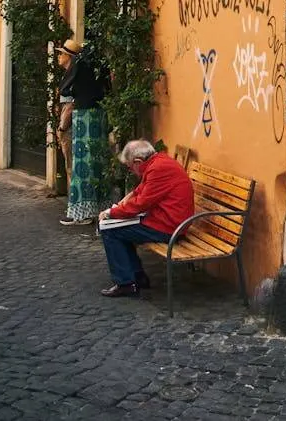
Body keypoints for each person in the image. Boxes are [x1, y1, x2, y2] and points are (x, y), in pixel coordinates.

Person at [97, 140, 195, 298]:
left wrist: (111, 213)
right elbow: (143, 189)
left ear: (138, 162)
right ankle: (137, 277)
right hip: (167, 220)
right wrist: (129, 196)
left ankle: (126, 283)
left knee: (110, 230)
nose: (131, 171)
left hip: (169, 227)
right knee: (118, 229)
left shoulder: (158, 169)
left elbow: (140, 204)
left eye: (130, 167)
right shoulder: (159, 161)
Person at [58, 39, 111, 226]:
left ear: (69, 57)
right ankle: (97, 208)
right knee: (96, 163)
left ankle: (81, 213)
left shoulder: (78, 71)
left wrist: (62, 127)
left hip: (84, 120)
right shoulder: (89, 69)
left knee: (83, 164)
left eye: (61, 53)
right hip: (97, 117)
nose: (59, 57)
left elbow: (68, 97)